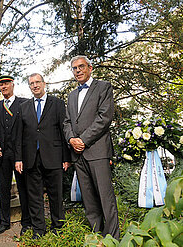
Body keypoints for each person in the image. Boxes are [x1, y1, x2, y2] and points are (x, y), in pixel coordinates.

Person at [63, 55, 120, 239]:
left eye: (81, 67)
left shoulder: (103, 87)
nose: (78, 70)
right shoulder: (72, 95)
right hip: (78, 155)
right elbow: (67, 122)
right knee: (88, 199)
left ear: (90, 68)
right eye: (74, 68)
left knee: (105, 196)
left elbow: (104, 118)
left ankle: (112, 238)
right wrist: (72, 139)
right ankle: (97, 235)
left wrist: (83, 140)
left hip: (98, 151)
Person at [15, 73, 71, 239]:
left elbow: (63, 131)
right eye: (31, 83)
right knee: (34, 196)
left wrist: (66, 158)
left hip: (54, 156)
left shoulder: (58, 104)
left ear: (44, 83)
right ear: (29, 87)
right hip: (30, 158)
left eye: (37, 82)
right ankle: (39, 230)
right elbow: (19, 135)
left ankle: (58, 227)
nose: (35, 85)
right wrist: (18, 158)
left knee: (56, 194)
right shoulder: (24, 106)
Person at [0, 75, 31, 236]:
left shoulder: (24, 103)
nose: (4, 86)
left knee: (23, 188)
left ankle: (26, 222)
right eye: (1, 84)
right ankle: (4, 222)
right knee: (4, 189)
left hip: (20, 154)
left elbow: (28, 128)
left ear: (13, 85)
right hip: (2, 156)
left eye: (6, 83)